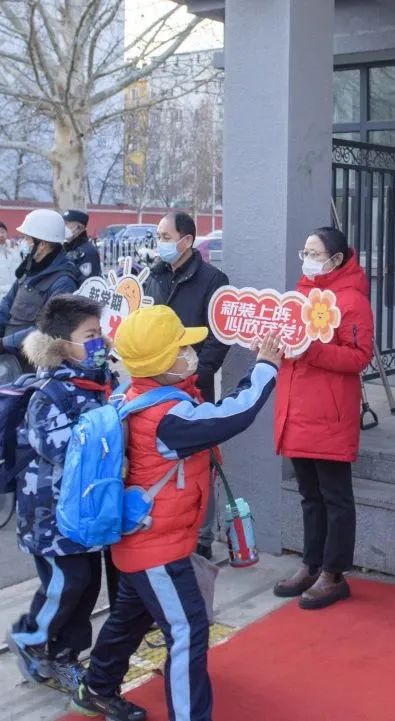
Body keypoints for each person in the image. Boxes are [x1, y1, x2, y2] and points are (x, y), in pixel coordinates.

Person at [71, 305, 282, 721]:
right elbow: (233, 414)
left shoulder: (133, 395)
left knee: (131, 616)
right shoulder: (167, 419)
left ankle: (96, 687)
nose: (191, 353)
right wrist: (265, 368)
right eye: (182, 348)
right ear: (163, 363)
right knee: (187, 631)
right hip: (157, 549)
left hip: (139, 539)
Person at [7, 294, 114, 692]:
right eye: (89, 335)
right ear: (61, 344)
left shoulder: (98, 383)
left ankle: (66, 656)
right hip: (49, 513)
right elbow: (63, 450)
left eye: (100, 332)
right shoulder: (49, 393)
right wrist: (110, 437)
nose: (99, 341)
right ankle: (31, 638)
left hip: (84, 512)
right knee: (66, 582)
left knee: (86, 585)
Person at [271, 226, 374, 610]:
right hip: (297, 408)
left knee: (335, 497)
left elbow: (359, 356)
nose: (308, 260)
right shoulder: (300, 295)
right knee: (310, 496)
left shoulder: (351, 300)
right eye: (305, 253)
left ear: (336, 259)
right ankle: (311, 564)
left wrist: (311, 350)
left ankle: (334, 573)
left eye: (315, 254)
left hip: (328, 413)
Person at [144, 211, 231, 560]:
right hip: (153, 385)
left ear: (187, 241)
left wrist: (199, 372)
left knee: (200, 461)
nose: (160, 243)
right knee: (160, 458)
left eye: (166, 237)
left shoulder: (213, 280)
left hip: (193, 385)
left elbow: (219, 336)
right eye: (158, 236)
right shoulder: (154, 276)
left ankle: (202, 538)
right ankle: (168, 530)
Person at [0, 209, 79, 372]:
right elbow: (3, 311)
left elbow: (49, 328)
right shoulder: (29, 272)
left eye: (27, 238)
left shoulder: (64, 281)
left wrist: (4, 344)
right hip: (13, 365)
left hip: (37, 371)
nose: (23, 243)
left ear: (42, 244)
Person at [63, 209, 102, 280]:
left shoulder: (88, 252)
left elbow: (88, 282)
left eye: (67, 224)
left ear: (79, 227)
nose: (63, 227)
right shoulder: (67, 248)